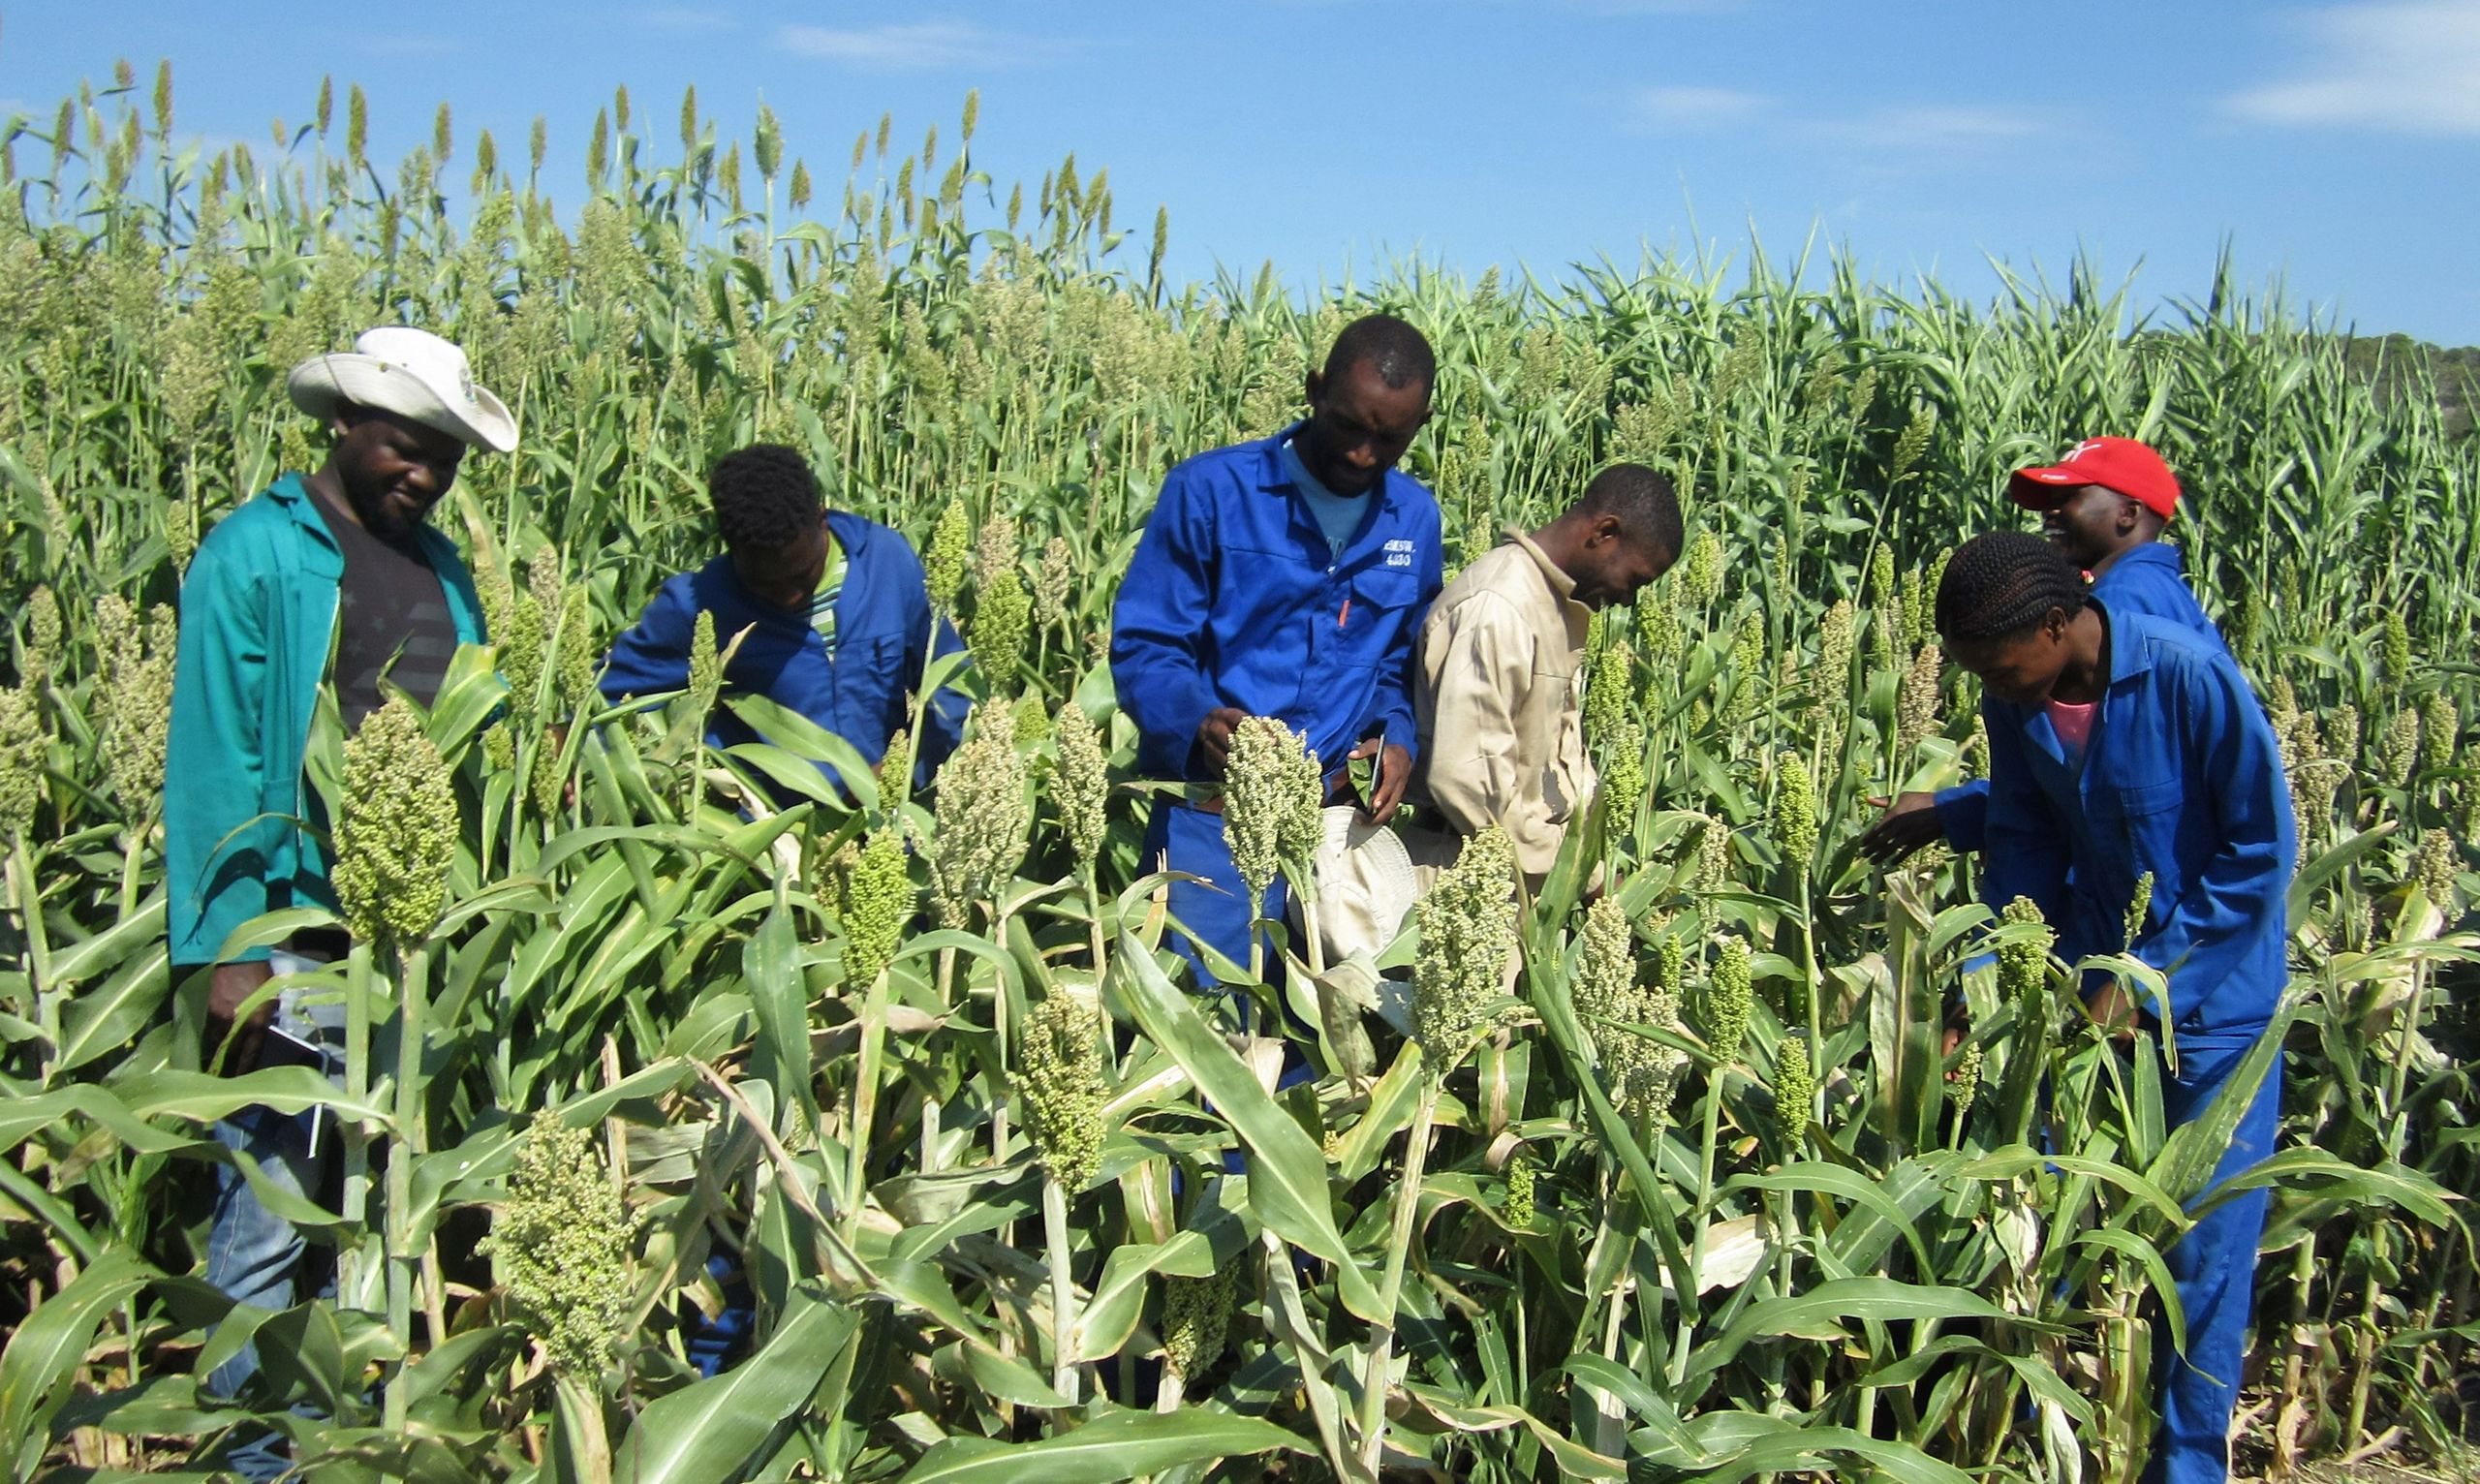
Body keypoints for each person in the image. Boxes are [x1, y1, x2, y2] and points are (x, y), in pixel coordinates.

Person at [166, 325, 517, 1479]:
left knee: (376, 1208)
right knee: (267, 1223)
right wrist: (228, 947)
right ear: (345, 426)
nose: (423, 474)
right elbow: (216, 753)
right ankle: (249, 1456)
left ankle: (347, 1447)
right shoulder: (260, 553)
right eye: (405, 450)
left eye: (444, 459)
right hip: (295, 937)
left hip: (402, 936)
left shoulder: (443, 567)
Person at [1934, 531, 2293, 1484]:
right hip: (2085, 997)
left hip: (2212, 1012)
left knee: (2202, 1259)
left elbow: (2260, 849)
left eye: (2003, 667)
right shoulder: (2019, 698)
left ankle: (2184, 1468)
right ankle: (2029, 1441)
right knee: (2041, 1207)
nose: (1996, 689)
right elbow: (2018, 835)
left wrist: (2148, 980)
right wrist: (1992, 976)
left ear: (2058, 624)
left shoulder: (2186, 676)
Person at [1110, 314, 1443, 984]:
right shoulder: (1211, 493)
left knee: (1312, 1049)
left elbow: (1393, 666)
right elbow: (1147, 647)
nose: (1363, 454)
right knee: (1206, 1043)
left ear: (1422, 424)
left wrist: (1395, 736)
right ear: (1315, 390)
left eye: (1390, 438)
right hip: (1212, 823)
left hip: (1331, 834)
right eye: (1349, 425)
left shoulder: (1415, 519)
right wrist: (1199, 719)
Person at [1862, 436, 2231, 865]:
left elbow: (2104, 783)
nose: (2049, 513)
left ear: (2128, 513)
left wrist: (1958, 810)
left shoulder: (2123, 605)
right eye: (2046, 501)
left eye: (2068, 498)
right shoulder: (2150, 593)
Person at [600, 444, 967, 791]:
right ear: (732, 551)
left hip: (885, 818)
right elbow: (610, 698)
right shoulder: (699, 607)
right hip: (765, 836)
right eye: (764, 585)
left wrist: (904, 773)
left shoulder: (887, 563)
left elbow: (951, 685)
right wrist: (572, 740)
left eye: (801, 574)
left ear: (821, 519)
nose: (789, 595)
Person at [1414, 463, 1682, 883]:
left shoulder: (1555, 607)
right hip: (1474, 878)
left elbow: (1558, 758)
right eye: (1634, 580)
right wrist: (1570, 870)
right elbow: (1469, 782)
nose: (1629, 600)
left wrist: (1586, 866)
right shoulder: (1500, 608)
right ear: (1605, 533)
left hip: (1522, 875)